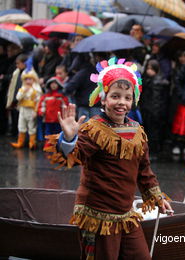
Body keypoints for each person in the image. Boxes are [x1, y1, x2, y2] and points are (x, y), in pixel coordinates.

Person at [44, 57, 173, 259]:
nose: (121, 102)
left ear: (133, 100)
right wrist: (69, 138)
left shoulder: (137, 130)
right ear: (103, 99)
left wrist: (157, 197)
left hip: (126, 214)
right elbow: (74, 155)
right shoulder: (94, 128)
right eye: (115, 96)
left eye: (127, 97)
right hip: (97, 215)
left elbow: (144, 170)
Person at [10, 66, 42, 149]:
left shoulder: (36, 90)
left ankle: (32, 143)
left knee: (32, 126)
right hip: (23, 110)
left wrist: (36, 111)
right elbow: (17, 98)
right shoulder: (22, 89)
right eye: (26, 79)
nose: (28, 81)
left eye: (30, 79)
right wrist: (23, 91)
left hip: (31, 110)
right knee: (21, 125)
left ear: (34, 80)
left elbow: (38, 101)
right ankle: (20, 142)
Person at [37, 76, 69, 149]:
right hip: (48, 118)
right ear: (49, 85)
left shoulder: (62, 97)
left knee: (59, 133)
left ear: (58, 85)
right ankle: (48, 145)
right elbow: (42, 105)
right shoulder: (45, 96)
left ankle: (58, 146)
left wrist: (65, 115)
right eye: (52, 84)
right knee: (48, 132)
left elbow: (65, 107)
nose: (53, 85)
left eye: (55, 83)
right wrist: (41, 112)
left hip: (59, 119)